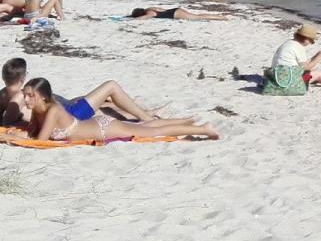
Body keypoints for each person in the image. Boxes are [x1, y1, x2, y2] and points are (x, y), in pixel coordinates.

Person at [3, 78, 218, 142]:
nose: (27, 99)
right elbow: (32, 132)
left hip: (104, 129)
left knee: (150, 131)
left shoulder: (52, 110)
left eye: (31, 95)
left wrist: (11, 139)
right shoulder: (40, 111)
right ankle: (186, 122)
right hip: (96, 125)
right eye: (26, 94)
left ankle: (203, 129)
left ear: (42, 97)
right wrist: (16, 133)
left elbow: (39, 141)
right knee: (145, 126)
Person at [0, 57, 175, 127]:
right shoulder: (19, 97)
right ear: (23, 77)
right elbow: (7, 121)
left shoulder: (4, 94)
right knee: (111, 86)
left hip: (65, 106)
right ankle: (148, 118)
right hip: (70, 114)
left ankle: (147, 111)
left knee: (104, 103)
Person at [271, 24, 321, 88]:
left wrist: (316, 56)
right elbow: (306, 67)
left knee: (313, 69)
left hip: (276, 77)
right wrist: (320, 57)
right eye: (311, 41)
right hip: (288, 82)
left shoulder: (289, 43)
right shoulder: (298, 47)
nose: (311, 43)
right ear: (306, 39)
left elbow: (302, 64)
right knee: (319, 74)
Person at [129, 6, 229, 22]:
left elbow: (145, 18)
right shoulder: (150, 8)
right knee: (197, 15)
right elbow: (163, 9)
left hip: (175, 14)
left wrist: (133, 19)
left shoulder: (149, 12)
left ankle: (221, 18)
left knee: (197, 17)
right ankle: (220, 16)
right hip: (174, 10)